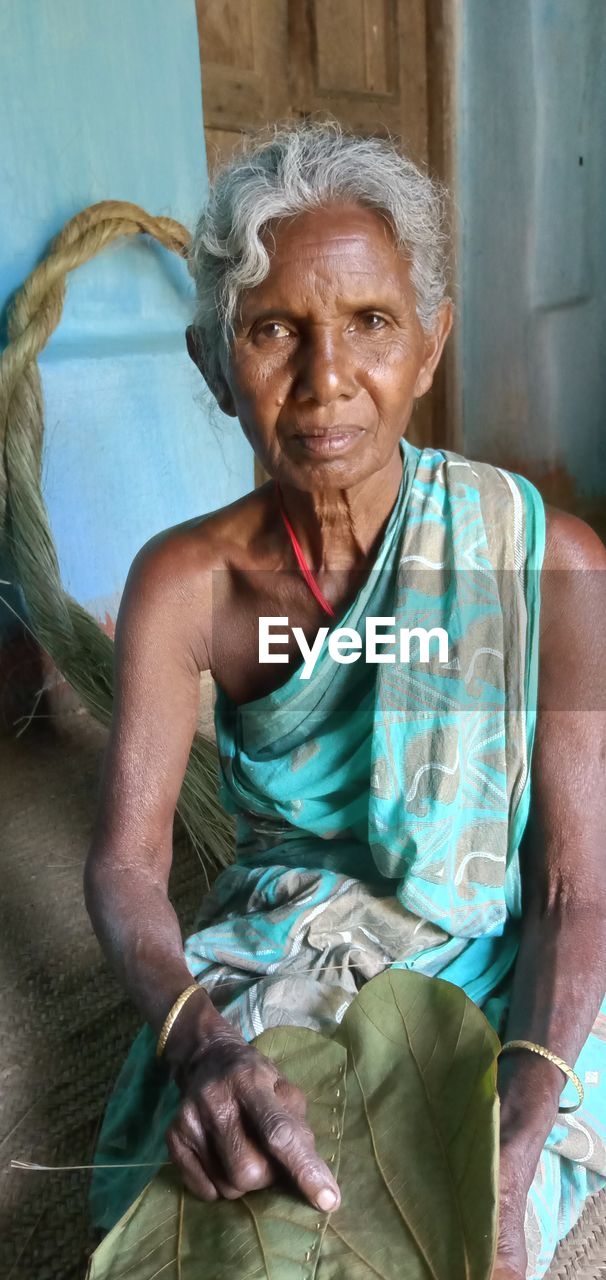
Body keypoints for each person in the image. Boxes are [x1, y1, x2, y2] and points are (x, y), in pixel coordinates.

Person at [84, 123, 606, 1280]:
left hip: (486, 951)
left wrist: (520, 1123)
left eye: (371, 322)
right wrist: (200, 1040)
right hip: (277, 951)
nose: (327, 380)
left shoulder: (546, 562)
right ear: (217, 364)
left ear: (430, 346)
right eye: (274, 330)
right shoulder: (187, 583)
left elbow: (575, 886)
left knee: (459, 1221)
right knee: (233, 1211)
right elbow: (126, 864)